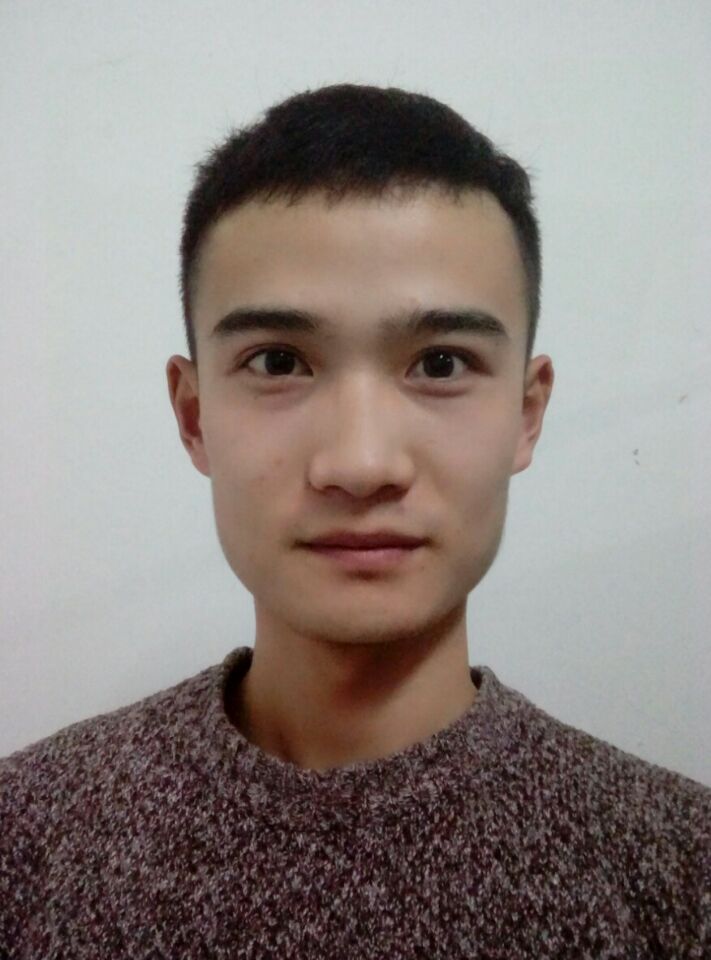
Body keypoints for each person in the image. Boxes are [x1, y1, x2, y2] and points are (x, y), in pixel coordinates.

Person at [1, 83, 708, 958]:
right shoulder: (22, 840)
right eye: (278, 362)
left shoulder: (681, 871)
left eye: (440, 364)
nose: (361, 464)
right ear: (193, 415)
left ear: (526, 415)